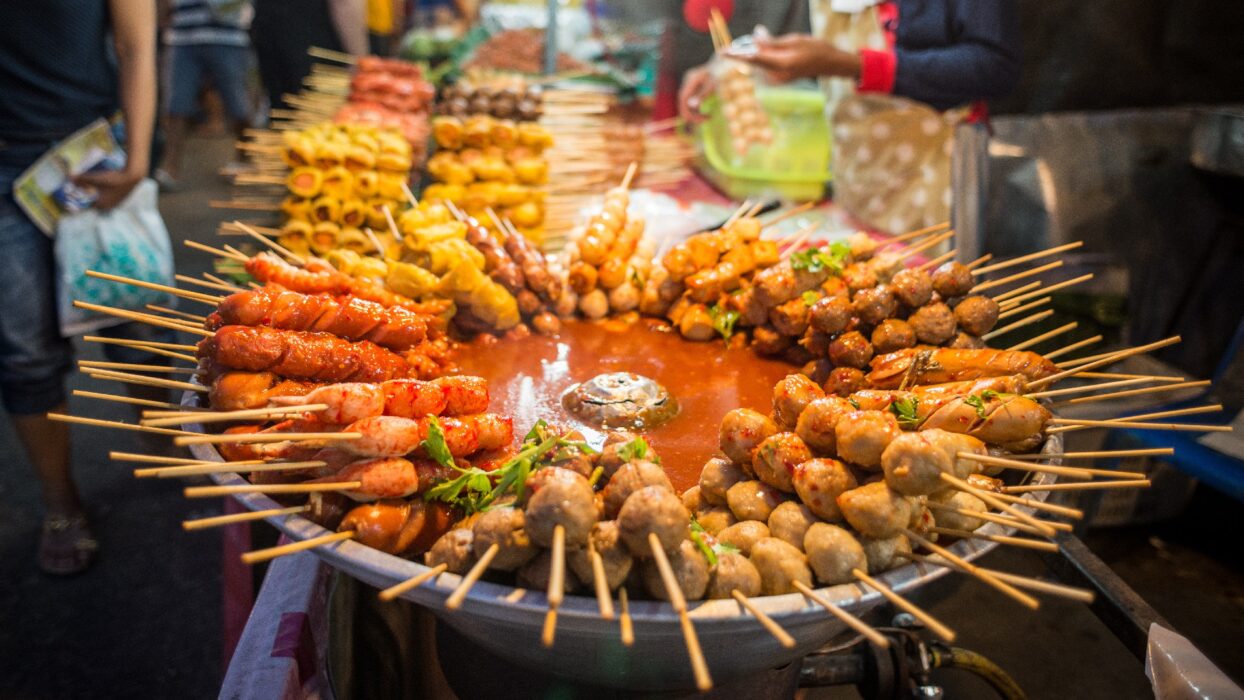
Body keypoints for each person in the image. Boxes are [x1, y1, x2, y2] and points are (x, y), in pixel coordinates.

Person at [0, 0, 175, 575]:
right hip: (4, 169)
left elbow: (135, 45)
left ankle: (164, 444)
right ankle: (60, 504)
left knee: (138, 320)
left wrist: (139, 159)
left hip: (91, 148)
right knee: (24, 354)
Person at [680, 0, 1019, 234]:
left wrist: (851, 65)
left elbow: (994, 66)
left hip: (934, 176)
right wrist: (730, 68)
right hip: (856, 177)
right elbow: (812, 46)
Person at [155, 0, 256, 189]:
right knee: (176, 104)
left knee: (238, 105)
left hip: (227, 35)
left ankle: (245, 159)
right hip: (182, 35)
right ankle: (171, 168)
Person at [250, 0, 368, 113]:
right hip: (315, 42)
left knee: (283, 110)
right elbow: (344, 3)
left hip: (270, 30)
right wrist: (360, 61)